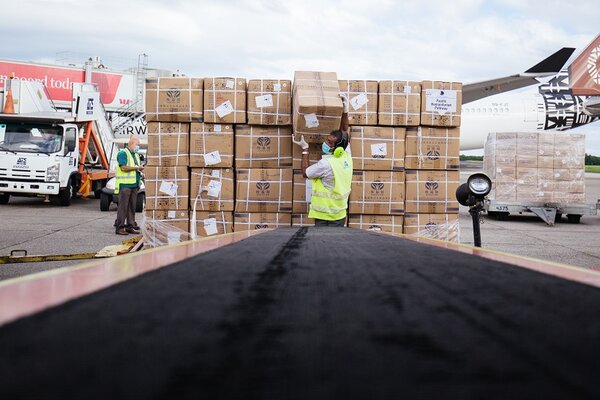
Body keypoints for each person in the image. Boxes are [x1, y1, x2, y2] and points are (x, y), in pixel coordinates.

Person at [293, 94, 353, 227]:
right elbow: (344, 131)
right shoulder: (346, 155)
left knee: (322, 246)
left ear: (337, 148)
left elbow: (305, 173)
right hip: (340, 214)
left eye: (329, 143)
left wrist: (305, 149)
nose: (325, 142)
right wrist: (345, 110)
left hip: (324, 216)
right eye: (327, 139)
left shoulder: (326, 164)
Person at [114, 135, 143, 235]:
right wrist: (137, 168)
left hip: (134, 185)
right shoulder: (123, 153)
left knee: (131, 207)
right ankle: (120, 227)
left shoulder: (135, 155)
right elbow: (123, 168)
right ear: (132, 144)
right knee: (123, 207)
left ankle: (130, 226)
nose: (138, 147)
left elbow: (137, 170)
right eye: (137, 145)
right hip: (125, 185)